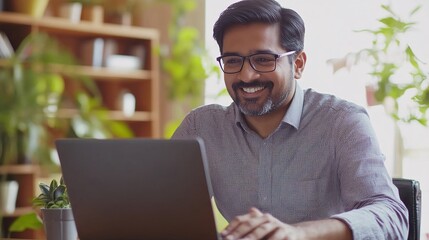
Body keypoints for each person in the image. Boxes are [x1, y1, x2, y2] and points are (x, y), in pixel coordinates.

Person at [172, 0, 408, 239]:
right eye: (233, 61)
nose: (246, 75)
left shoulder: (342, 122)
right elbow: (161, 208)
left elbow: (391, 217)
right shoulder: (201, 127)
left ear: (298, 64)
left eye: (263, 59)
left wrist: (299, 233)